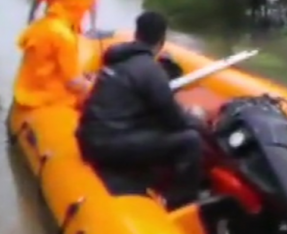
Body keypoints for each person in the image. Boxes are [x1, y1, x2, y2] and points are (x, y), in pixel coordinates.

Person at [76, 11, 204, 209]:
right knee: (191, 140)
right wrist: (197, 119)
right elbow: (175, 121)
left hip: (90, 139)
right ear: (162, 41)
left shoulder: (116, 59)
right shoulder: (150, 71)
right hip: (109, 146)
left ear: (136, 35)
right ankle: (179, 202)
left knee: (156, 125)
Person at [13, 0, 94, 110]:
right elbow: (74, 83)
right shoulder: (64, 36)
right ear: (80, 9)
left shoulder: (38, 25)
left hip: (25, 92)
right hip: (50, 97)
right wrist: (97, 85)